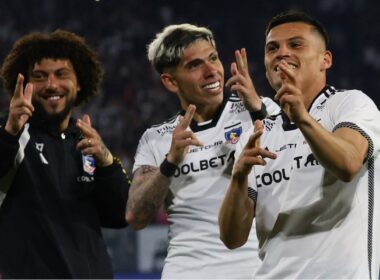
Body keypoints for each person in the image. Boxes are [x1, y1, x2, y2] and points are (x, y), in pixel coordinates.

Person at [219, 10, 380, 279]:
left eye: (295, 44)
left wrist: (302, 118)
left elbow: (349, 163)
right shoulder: (256, 135)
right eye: (272, 48)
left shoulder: (350, 105)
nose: (281, 53)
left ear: (324, 60)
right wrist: (238, 178)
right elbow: (232, 238)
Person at [125, 23, 279, 279]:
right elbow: (136, 216)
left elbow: (293, 167)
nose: (211, 72)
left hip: (255, 270)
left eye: (213, 58)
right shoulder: (157, 139)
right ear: (170, 81)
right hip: (185, 272)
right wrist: (170, 162)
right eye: (194, 65)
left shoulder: (259, 110)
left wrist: (257, 111)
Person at [0, 30, 130, 278]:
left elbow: (122, 215)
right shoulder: (10, 133)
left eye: (61, 74)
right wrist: (9, 133)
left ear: (78, 83)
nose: (51, 84)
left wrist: (106, 162)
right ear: (25, 84)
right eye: (40, 76)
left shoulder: (86, 141)